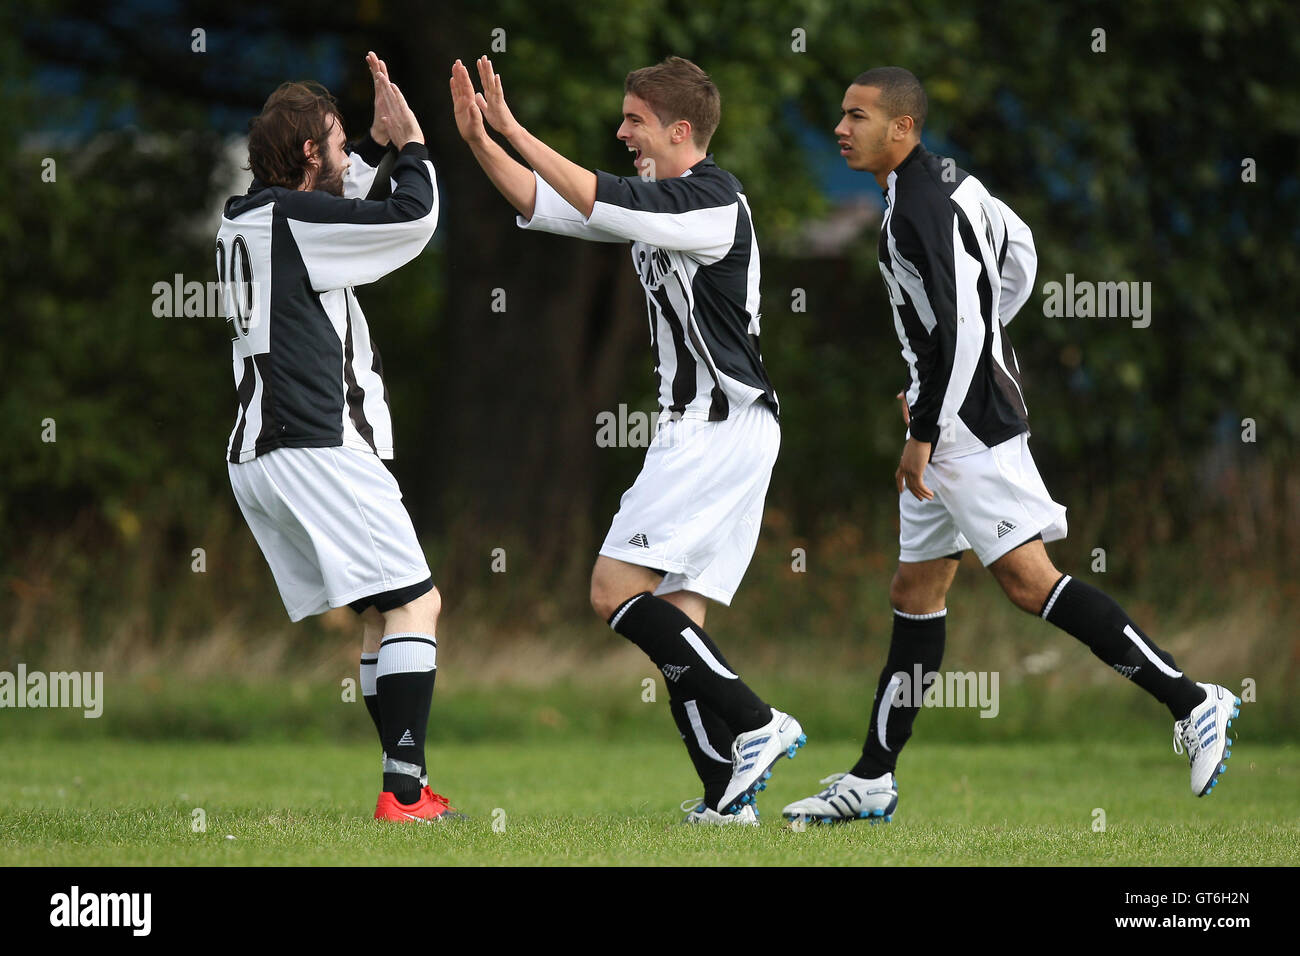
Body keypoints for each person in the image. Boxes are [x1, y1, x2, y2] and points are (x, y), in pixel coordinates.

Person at [782, 66, 1239, 825]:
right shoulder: (952, 181)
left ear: (902, 128)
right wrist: (978, 350)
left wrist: (924, 430)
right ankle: (871, 778)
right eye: (841, 115)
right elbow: (1019, 254)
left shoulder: (916, 208)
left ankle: (1193, 702)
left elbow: (960, 327)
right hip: (956, 405)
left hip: (964, 428)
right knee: (916, 594)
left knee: (1030, 583)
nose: (840, 128)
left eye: (856, 116)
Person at [450, 54, 803, 822]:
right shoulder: (664, 202)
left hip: (717, 430)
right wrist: (480, 140)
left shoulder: (712, 201)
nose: (621, 132)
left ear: (680, 130)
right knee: (681, 617)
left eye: (634, 119)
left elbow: (593, 191)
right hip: (724, 433)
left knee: (614, 589)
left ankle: (757, 722)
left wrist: (515, 127)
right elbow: (554, 203)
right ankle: (726, 799)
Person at [218, 53, 459, 822]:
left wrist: (377, 153)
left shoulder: (245, 217)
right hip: (317, 444)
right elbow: (413, 218)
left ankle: (406, 784)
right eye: (340, 143)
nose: (351, 155)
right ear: (309, 157)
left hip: (262, 452)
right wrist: (413, 144)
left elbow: (346, 205)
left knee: (376, 615)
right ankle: (404, 793)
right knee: (419, 605)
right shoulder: (296, 220)